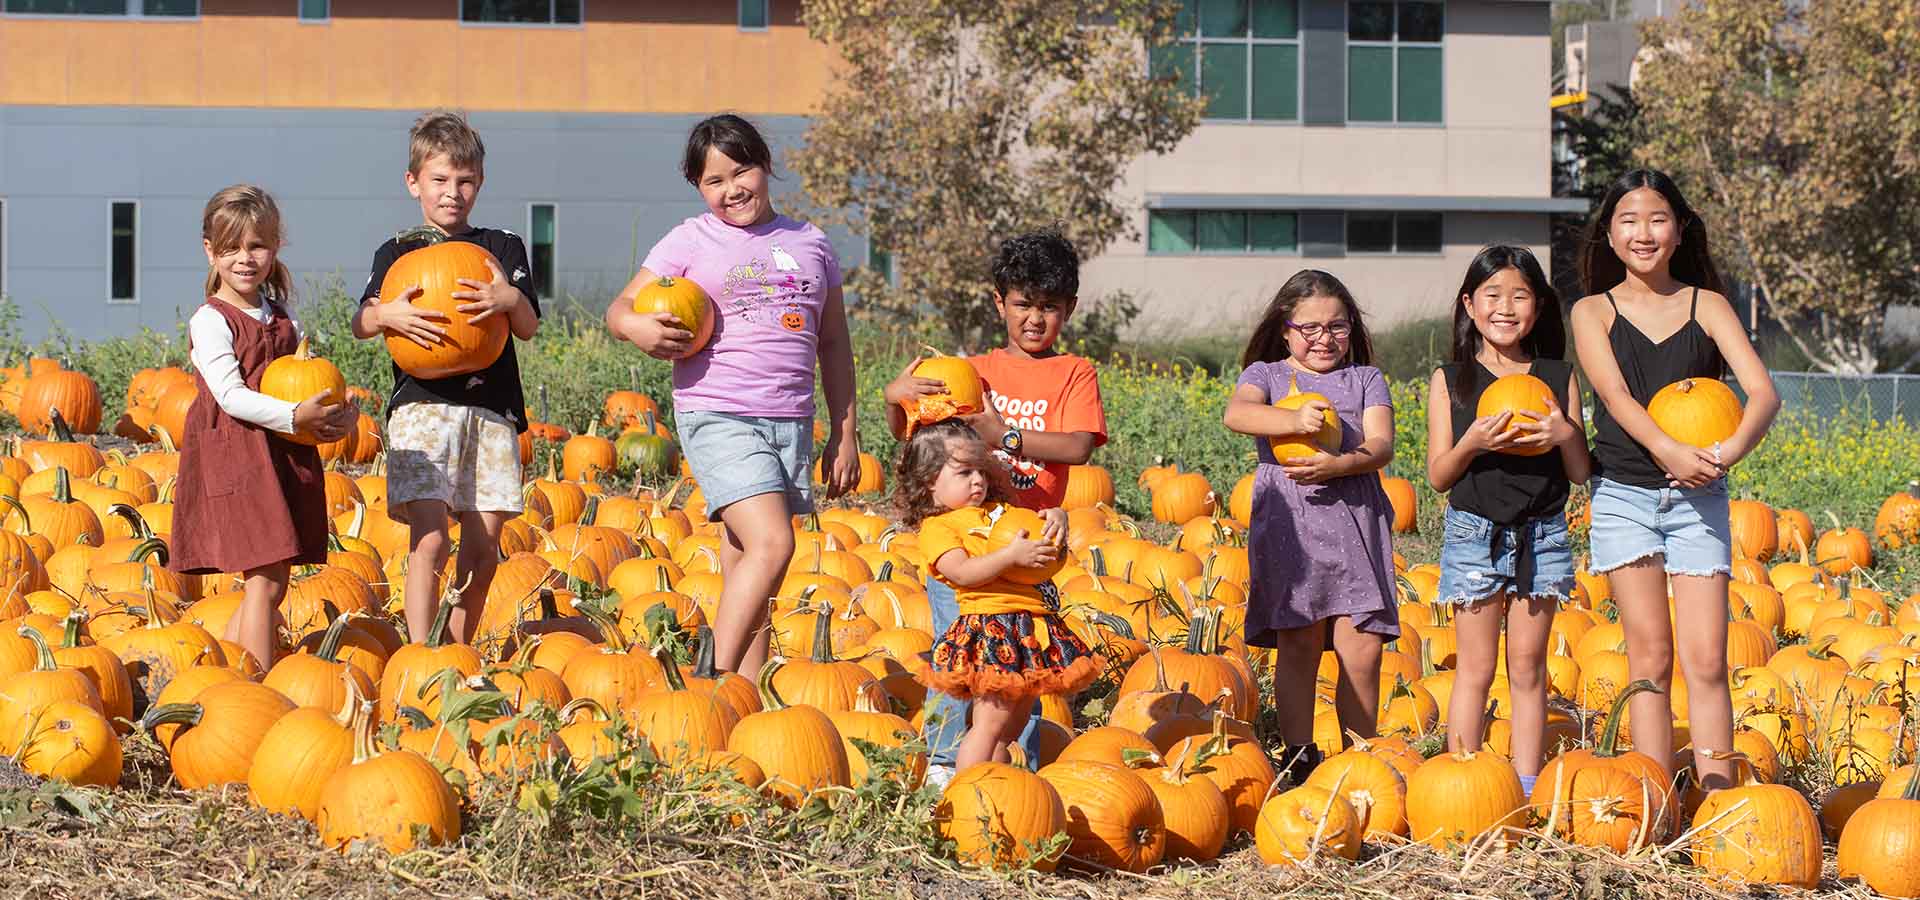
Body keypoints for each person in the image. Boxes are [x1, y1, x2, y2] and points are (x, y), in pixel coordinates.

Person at [605, 113, 860, 677]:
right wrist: (638, 328)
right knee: (774, 545)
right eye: (713, 181)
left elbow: (835, 344)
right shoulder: (690, 239)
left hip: (789, 420)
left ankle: (740, 702)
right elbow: (618, 310)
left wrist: (845, 432)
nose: (730, 190)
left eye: (740, 171)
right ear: (698, 187)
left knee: (751, 564)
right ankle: (709, 679)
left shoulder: (811, 243)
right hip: (718, 413)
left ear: (766, 165)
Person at [1570, 169, 1778, 791]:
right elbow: (1615, 395)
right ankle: (1658, 800)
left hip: (1699, 498)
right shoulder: (1592, 311)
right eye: (1628, 220)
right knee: (1651, 659)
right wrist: (1669, 451)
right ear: (1609, 235)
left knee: (1709, 660)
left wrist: (1726, 453)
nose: (1643, 232)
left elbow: (1763, 394)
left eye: (1657, 219)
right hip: (1624, 496)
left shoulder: (1706, 306)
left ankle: (1719, 804)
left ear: (1679, 230)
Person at [882, 230, 1107, 783]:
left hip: (1027, 547)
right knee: (955, 652)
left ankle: (1015, 768)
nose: (1035, 318)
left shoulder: (1073, 372)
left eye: (1049, 307)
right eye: (1023, 304)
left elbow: (1077, 445)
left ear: (1069, 309)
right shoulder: (971, 372)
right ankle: (941, 761)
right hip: (963, 541)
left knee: (1022, 662)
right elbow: (917, 437)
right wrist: (895, 400)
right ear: (998, 302)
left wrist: (1004, 436)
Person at [350, 109, 542, 645]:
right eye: (439, 180)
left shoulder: (502, 247)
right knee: (430, 534)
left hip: (492, 409)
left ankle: (455, 647)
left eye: (465, 181)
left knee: (483, 546)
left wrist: (507, 298)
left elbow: (526, 326)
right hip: (422, 406)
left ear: (479, 183)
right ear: (414, 183)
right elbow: (361, 321)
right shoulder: (398, 251)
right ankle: (419, 650)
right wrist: (386, 313)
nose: (452, 192)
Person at [1425, 245, 1591, 796]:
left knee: (1528, 667)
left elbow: (1578, 472)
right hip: (1474, 532)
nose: (1505, 307)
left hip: (1542, 533)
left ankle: (1523, 785)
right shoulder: (1450, 380)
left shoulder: (1556, 376)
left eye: (1519, 295)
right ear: (1469, 305)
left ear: (1539, 307)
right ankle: (1462, 783)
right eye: (1492, 295)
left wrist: (1565, 434)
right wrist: (1473, 440)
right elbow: (1439, 476)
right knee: (1474, 667)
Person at [1221, 269, 1398, 785]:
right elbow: (1238, 414)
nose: (1325, 339)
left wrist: (1340, 464)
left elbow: (1381, 443)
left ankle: (1358, 758)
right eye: (1311, 328)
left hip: (1353, 521)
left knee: (1361, 647)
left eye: (1337, 327)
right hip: (1290, 526)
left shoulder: (1366, 378)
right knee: (1298, 644)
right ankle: (1299, 760)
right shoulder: (1267, 375)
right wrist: (1291, 421)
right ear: (1286, 328)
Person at [172, 185, 356, 669]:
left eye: (257, 245)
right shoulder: (211, 321)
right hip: (237, 454)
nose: (245, 258)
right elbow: (230, 396)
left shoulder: (282, 316)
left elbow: (300, 384)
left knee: (275, 579)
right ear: (210, 251)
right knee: (266, 579)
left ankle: (230, 672)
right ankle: (256, 682)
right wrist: (297, 417)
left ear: (275, 248)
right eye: (231, 247)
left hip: (279, 452)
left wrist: (334, 418)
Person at [897, 420, 1100, 771]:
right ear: (930, 481)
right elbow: (961, 572)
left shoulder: (999, 513)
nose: (978, 480)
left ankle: (998, 780)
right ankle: (969, 788)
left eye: (981, 471)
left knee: (1010, 727)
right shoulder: (939, 528)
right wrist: (1009, 556)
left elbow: (1039, 550)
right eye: (964, 473)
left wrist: (1056, 520)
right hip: (992, 630)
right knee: (989, 724)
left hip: (1028, 627)